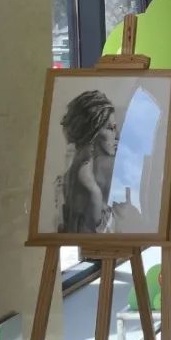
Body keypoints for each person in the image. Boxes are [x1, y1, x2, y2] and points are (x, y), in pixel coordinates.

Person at [58, 90, 119, 234]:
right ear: (93, 132)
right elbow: (92, 244)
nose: (117, 135)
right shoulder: (91, 189)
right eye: (110, 128)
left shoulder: (73, 173)